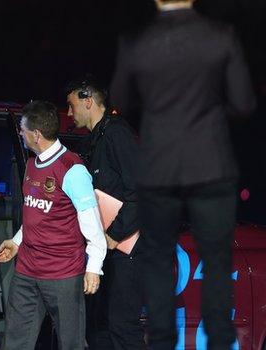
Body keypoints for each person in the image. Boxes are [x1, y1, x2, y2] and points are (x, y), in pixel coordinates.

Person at [109, 1, 256, 349]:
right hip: (211, 161)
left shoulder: (137, 41)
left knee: (158, 258)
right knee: (217, 257)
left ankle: (160, 343)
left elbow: (119, 100)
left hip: (159, 165)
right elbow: (244, 102)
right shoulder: (221, 36)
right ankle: (220, 340)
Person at [0, 100, 107, 350]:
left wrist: (94, 267)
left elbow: (92, 223)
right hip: (27, 271)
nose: (20, 134)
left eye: (23, 130)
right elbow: (36, 212)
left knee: (71, 343)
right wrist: (16, 242)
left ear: (36, 134)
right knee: (15, 342)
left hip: (63, 273)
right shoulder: (32, 163)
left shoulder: (71, 168)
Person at [66, 76, 143, 349]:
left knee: (122, 326)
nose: (69, 112)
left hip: (127, 249)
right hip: (107, 249)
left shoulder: (117, 134)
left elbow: (141, 192)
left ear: (88, 100)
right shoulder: (93, 141)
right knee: (100, 327)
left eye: (72, 104)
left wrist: (113, 234)